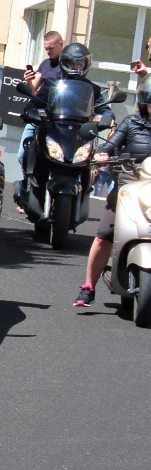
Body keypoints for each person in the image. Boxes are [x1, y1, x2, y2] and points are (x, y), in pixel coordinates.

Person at [75, 73, 151, 307]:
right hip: (130, 187)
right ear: (144, 102)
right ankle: (88, 286)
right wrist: (103, 153)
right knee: (105, 233)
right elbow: (112, 142)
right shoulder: (131, 123)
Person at [19, 31, 65, 167]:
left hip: (57, 118)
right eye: (46, 49)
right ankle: (26, 184)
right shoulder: (45, 63)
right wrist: (29, 80)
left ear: (60, 44)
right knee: (22, 155)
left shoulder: (69, 64)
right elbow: (33, 88)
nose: (48, 51)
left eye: (51, 48)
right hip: (39, 114)